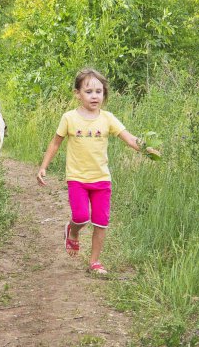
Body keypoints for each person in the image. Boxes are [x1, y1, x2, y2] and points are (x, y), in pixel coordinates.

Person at [36, 68, 159, 275]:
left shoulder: (108, 118)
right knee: (81, 216)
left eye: (99, 92)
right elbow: (55, 143)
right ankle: (72, 231)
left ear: (104, 94)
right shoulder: (69, 118)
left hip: (102, 179)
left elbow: (129, 139)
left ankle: (94, 262)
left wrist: (148, 150)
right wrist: (43, 167)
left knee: (101, 223)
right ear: (78, 94)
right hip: (77, 178)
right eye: (89, 91)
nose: (95, 96)